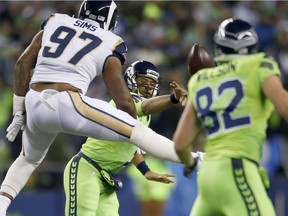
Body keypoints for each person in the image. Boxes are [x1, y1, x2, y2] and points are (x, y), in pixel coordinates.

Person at [0, 1, 201, 215]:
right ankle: (197, 159)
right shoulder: (110, 41)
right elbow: (122, 99)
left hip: (35, 101)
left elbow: (22, 64)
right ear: (110, 21)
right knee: (139, 131)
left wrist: (19, 110)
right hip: (69, 101)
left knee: (28, 159)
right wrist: (131, 127)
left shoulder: (55, 21)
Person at [173, 18, 288, 216]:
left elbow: (181, 144)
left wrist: (191, 165)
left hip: (207, 176)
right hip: (238, 168)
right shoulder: (259, 66)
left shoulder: (200, 79)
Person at [64, 60, 188, 216]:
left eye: (152, 83)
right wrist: (172, 99)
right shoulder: (125, 102)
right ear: (130, 80)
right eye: (143, 81)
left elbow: (132, 146)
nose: (148, 86)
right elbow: (146, 106)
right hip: (87, 167)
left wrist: (146, 171)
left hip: (106, 178)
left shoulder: (143, 116)